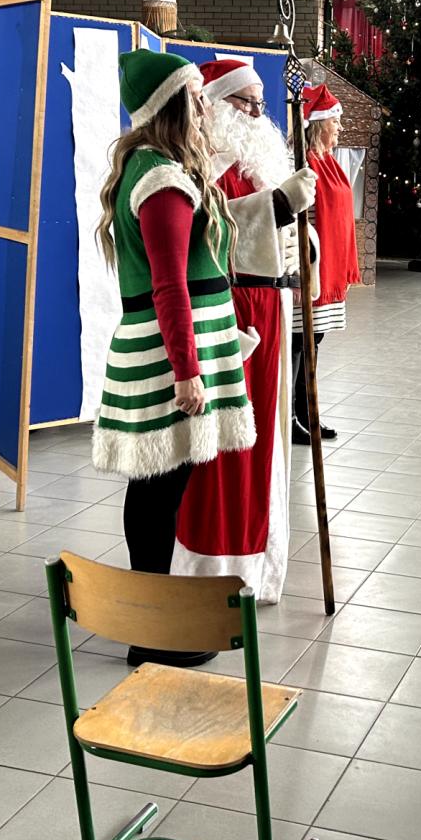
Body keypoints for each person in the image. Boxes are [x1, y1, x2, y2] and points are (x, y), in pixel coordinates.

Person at [92, 49, 255, 668]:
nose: (206, 108)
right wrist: (187, 370)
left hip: (171, 345)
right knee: (158, 491)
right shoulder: (159, 178)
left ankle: (152, 622)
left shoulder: (155, 166)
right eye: (197, 98)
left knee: (160, 486)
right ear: (175, 105)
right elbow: (169, 285)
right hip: (168, 354)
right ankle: (152, 633)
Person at [173, 59, 316, 604]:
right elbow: (205, 230)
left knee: (263, 444)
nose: (257, 113)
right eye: (246, 102)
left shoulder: (259, 161)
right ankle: (214, 572)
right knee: (227, 446)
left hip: (270, 309)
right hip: (228, 311)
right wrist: (277, 206)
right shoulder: (199, 165)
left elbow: (282, 229)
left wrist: (305, 240)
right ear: (214, 104)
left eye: (260, 102)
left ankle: (256, 567)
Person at [291, 84, 359, 446]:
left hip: (329, 271)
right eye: (335, 121)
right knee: (299, 344)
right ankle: (293, 417)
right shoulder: (301, 164)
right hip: (311, 270)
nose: (340, 127)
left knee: (312, 343)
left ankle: (307, 413)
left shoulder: (329, 162)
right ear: (319, 124)